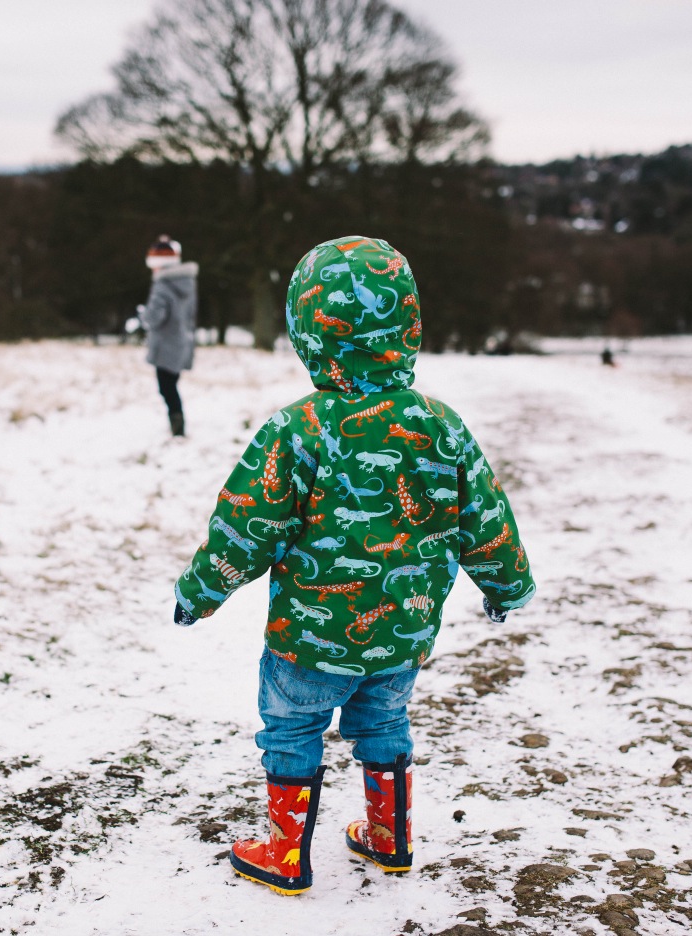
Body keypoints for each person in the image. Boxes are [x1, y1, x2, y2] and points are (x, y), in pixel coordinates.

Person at [171, 236, 535, 896]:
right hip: (404, 630)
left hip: (311, 636)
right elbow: (484, 515)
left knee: (292, 727)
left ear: (308, 330)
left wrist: (202, 590)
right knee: (385, 723)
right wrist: (505, 583)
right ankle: (390, 838)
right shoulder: (441, 426)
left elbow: (248, 524)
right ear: (408, 326)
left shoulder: (298, 429)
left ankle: (286, 853)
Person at [140, 235, 198, 436]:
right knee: (171, 386)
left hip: (165, 346)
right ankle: (177, 426)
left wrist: (143, 314)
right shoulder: (186, 282)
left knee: (166, 389)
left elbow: (154, 317)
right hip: (181, 342)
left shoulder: (162, 285)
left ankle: (178, 428)